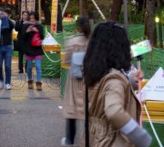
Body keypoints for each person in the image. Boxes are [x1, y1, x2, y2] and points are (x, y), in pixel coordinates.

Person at [83, 22, 152, 147]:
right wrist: (139, 135)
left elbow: (102, 94)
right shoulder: (115, 80)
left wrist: (129, 81)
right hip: (113, 141)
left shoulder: (96, 73)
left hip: (94, 137)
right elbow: (113, 110)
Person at [61, 16, 91, 146]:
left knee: (71, 109)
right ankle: (89, 139)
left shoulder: (72, 41)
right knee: (88, 110)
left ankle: (69, 140)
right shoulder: (93, 41)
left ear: (77, 26)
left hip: (74, 78)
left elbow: (66, 60)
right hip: (90, 78)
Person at [0, 8, 15, 90]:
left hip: (8, 46)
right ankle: (1, 80)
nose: (2, 15)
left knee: (8, 66)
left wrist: (7, 18)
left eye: (3, 13)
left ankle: (7, 83)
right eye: (0, 13)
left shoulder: (8, 22)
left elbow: (12, 26)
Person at [20, 12, 44, 90]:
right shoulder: (26, 26)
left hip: (37, 49)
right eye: (30, 18)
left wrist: (37, 31)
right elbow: (22, 38)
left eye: (33, 18)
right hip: (29, 49)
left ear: (36, 19)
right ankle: (30, 81)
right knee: (29, 67)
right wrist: (27, 31)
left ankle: (39, 83)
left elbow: (42, 36)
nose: (32, 20)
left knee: (38, 66)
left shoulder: (39, 26)